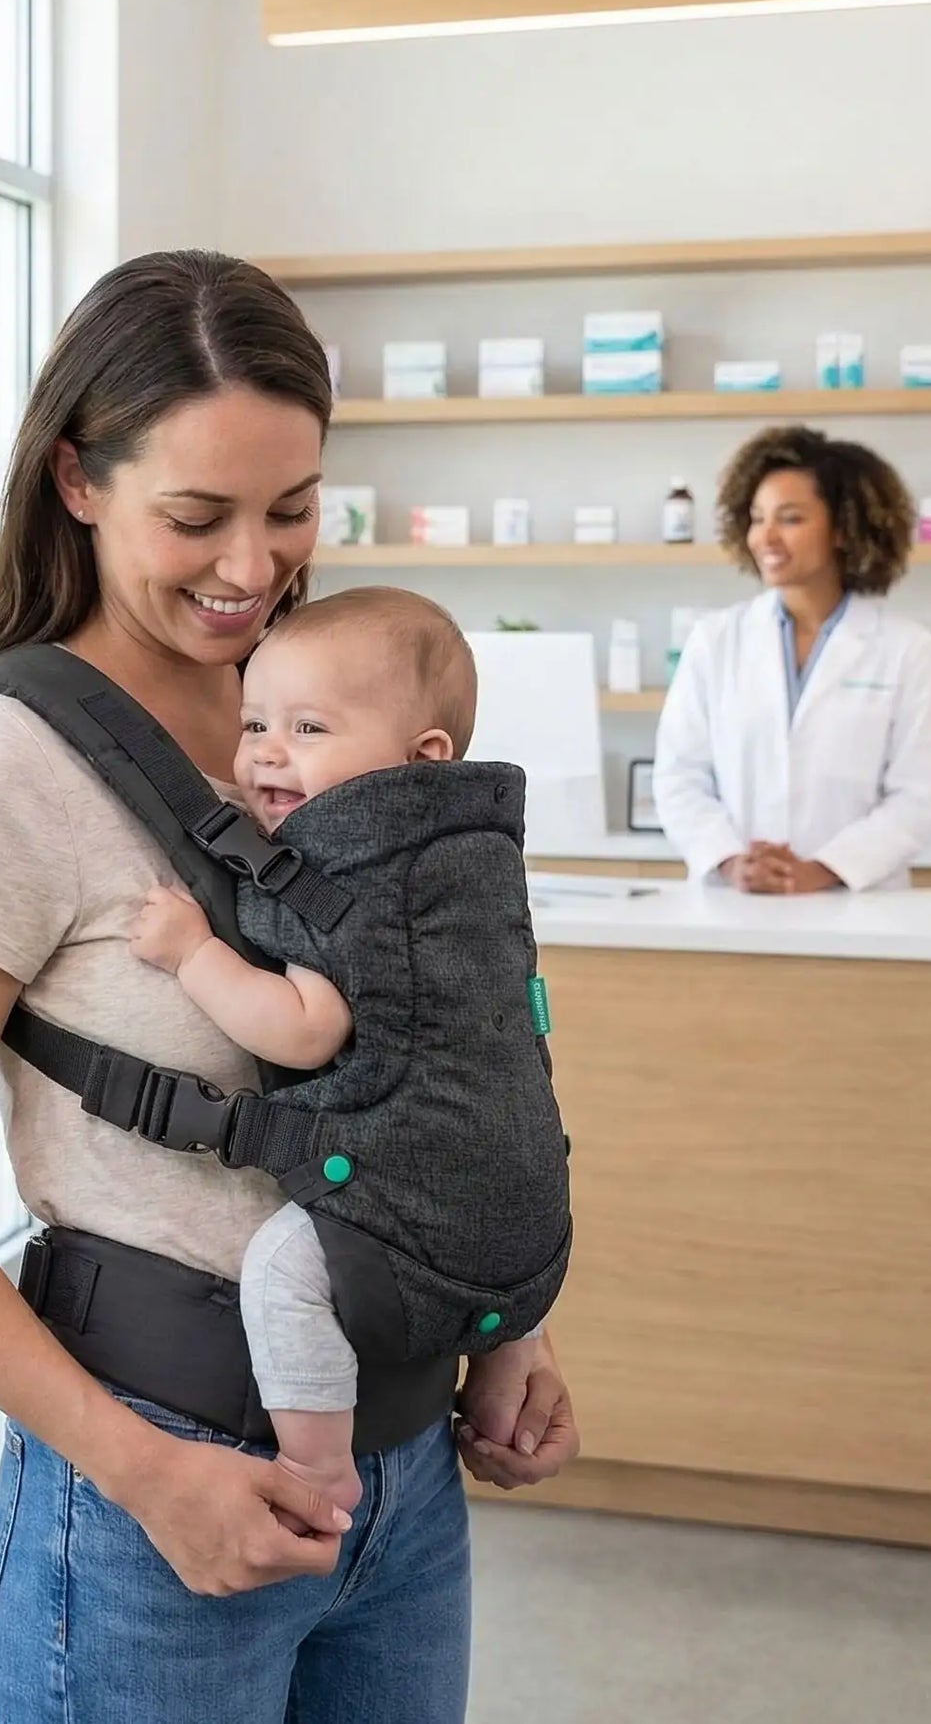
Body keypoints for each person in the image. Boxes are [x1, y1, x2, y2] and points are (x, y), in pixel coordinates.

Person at [0, 251, 578, 1723]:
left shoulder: (328, 708)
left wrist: (503, 1321)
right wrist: (144, 1472)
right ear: (77, 479)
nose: (252, 565)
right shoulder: (2, 763)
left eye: (291, 508)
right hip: (153, 1495)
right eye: (195, 516)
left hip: (401, 1470)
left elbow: (446, 1040)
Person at [129, 585, 565, 1520]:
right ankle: (497, 1393)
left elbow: (305, 1028)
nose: (264, 751)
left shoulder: (350, 873)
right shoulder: (475, 857)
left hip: (406, 1183)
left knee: (284, 1275)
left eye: (309, 728)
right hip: (525, 1189)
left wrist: (193, 953)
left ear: (422, 758)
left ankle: (319, 1468)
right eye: (255, 723)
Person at [652, 423, 931, 892]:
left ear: (843, 529)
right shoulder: (715, 640)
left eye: (790, 519)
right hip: (734, 901)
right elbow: (679, 777)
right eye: (757, 518)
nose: (765, 537)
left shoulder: (906, 648)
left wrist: (822, 870)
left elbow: (918, 797)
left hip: (858, 904)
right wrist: (731, 862)